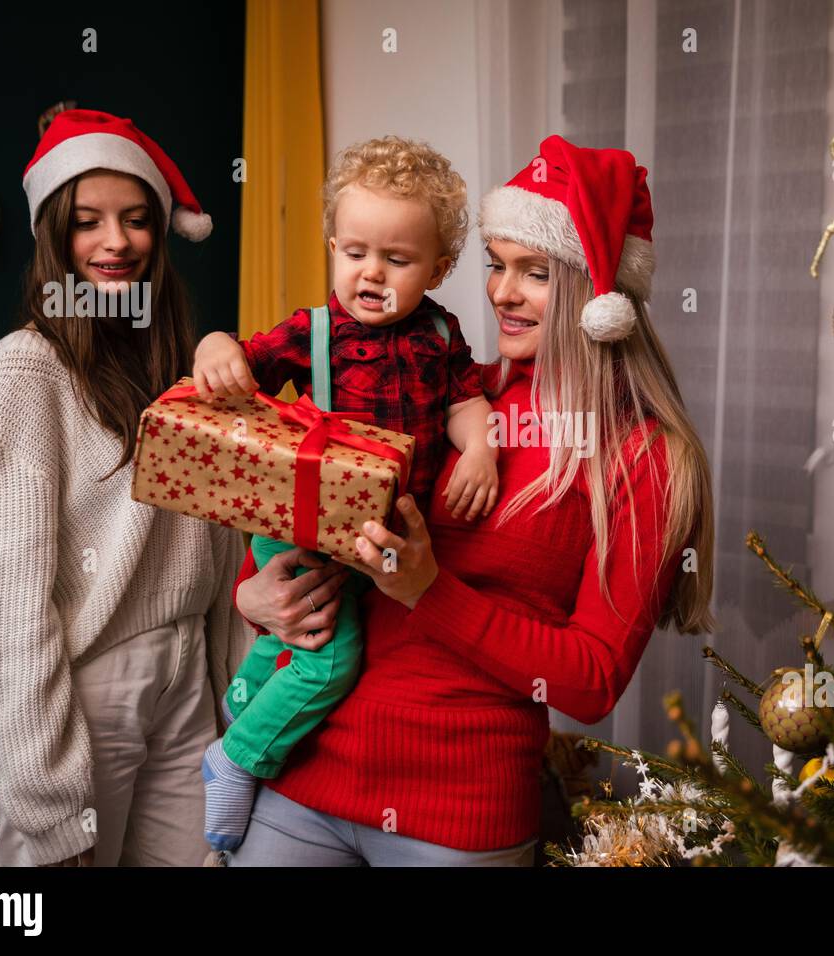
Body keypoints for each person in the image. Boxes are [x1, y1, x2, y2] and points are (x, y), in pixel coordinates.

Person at [226, 135, 716, 866]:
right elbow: (311, 518)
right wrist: (255, 598)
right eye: (496, 264)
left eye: (535, 273)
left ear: (598, 296)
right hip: (305, 778)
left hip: (458, 817)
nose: (501, 292)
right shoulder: (450, 389)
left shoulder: (643, 458)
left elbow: (588, 682)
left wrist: (430, 591)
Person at [0, 109, 264, 866]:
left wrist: (230, 682)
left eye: (137, 219)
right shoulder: (24, 375)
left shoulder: (183, 365)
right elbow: (3, 606)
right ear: (55, 236)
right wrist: (44, 793)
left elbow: (222, 548)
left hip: (187, 674)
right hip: (86, 688)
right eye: (87, 222)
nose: (115, 242)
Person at [188, 137, 498, 859]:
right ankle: (235, 759)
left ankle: (242, 710)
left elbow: (464, 400)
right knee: (328, 657)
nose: (372, 273)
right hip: (300, 523)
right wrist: (213, 346)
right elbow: (243, 364)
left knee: (297, 641)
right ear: (332, 247)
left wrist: (479, 446)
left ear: (440, 269)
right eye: (355, 252)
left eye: (398, 259)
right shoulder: (313, 331)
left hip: (378, 535)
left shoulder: (442, 334)